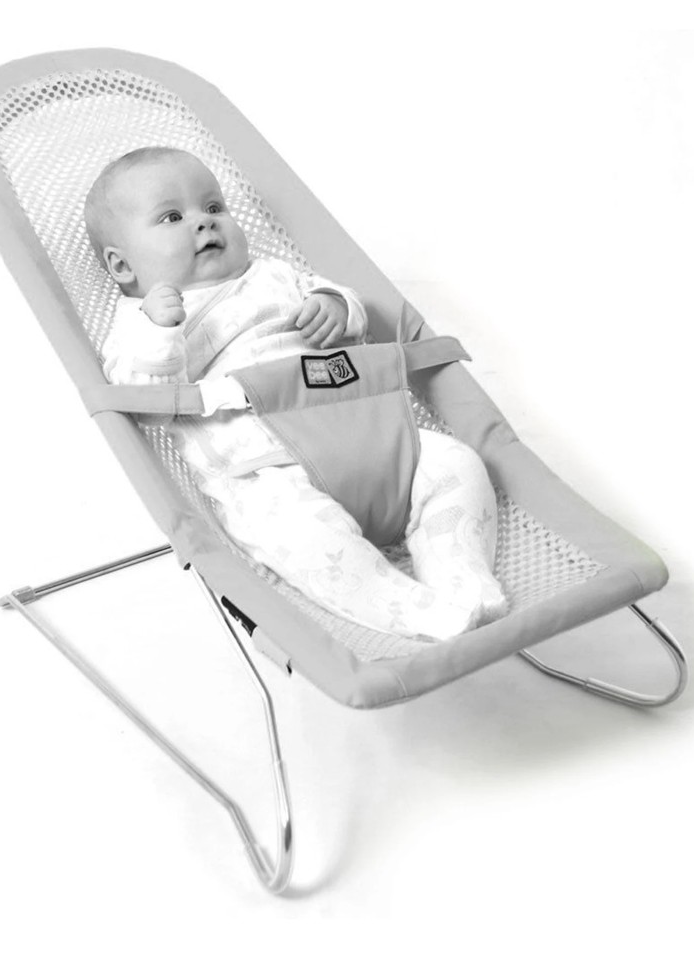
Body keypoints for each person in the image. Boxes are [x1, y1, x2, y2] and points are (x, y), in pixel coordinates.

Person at [88, 146, 508, 639]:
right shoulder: (140, 325)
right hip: (266, 471)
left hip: (378, 438)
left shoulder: (274, 274)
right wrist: (162, 333)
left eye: (214, 207)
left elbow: (351, 312)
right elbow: (149, 403)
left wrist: (335, 307)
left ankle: (463, 580)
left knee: (456, 464)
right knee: (301, 536)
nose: (204, 222)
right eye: (172, 217)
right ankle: (413, 610)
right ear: (122, 266)